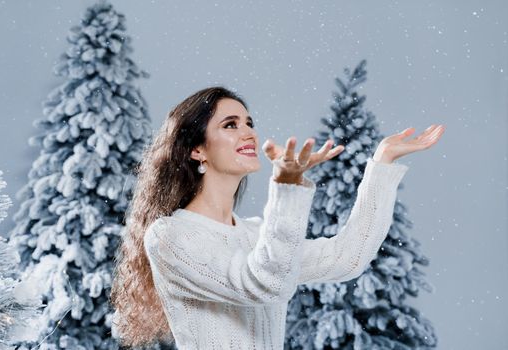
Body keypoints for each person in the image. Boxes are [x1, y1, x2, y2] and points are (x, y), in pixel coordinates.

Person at [110, 86, 445, 349]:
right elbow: (262, 284)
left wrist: (382, 164)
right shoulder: (170, 237)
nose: (249, 133)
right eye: (230, 125)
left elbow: (347, 258)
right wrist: (287, 187)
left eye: (249, 123)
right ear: (197, 150)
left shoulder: (257, 236)